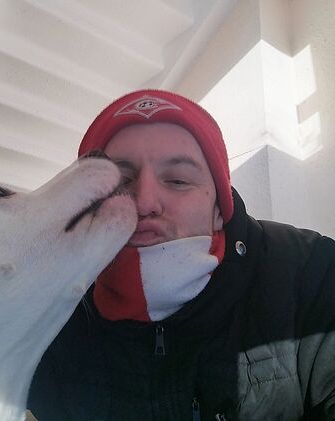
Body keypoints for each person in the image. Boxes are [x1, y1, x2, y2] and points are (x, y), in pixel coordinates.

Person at [28, 89, 335, 420]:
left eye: (177, 180)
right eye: (120, 182)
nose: (144, 202)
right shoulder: (48, 318)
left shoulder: (311, 273)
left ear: (219, 210)